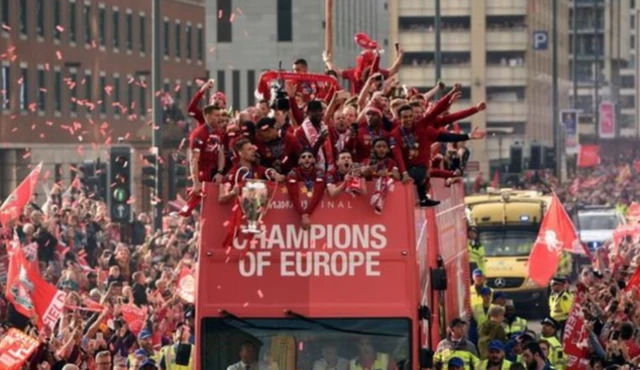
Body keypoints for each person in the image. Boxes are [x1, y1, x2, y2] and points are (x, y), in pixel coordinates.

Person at [219, 138, 285, 203]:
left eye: (253, 148)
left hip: (258, 206)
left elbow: (271, 173)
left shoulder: (258, 168)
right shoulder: (233, 173)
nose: (253, 151)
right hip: (240, 209)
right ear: (240, 153)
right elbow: (221, 198)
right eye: (249, 149)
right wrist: (233, 192)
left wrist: (277, 176)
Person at [286, 148, 326, 230]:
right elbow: (293, 195)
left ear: (314, 160)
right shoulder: (292, 173)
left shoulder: (319, 172)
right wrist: (303, 214)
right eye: (303, 157)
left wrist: (306, 213)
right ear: (299, 161)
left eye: (309, 157)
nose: (306, 159)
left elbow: (318, 193)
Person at [295, 100, 334, 172]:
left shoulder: (325, 127)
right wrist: (319, 142)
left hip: (330, 169)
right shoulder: (300, 131)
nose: (318, 113)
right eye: (315, 111)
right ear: (308, 112)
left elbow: (334, 148)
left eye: (320, 111)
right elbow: (305, 156)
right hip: (311, 172)